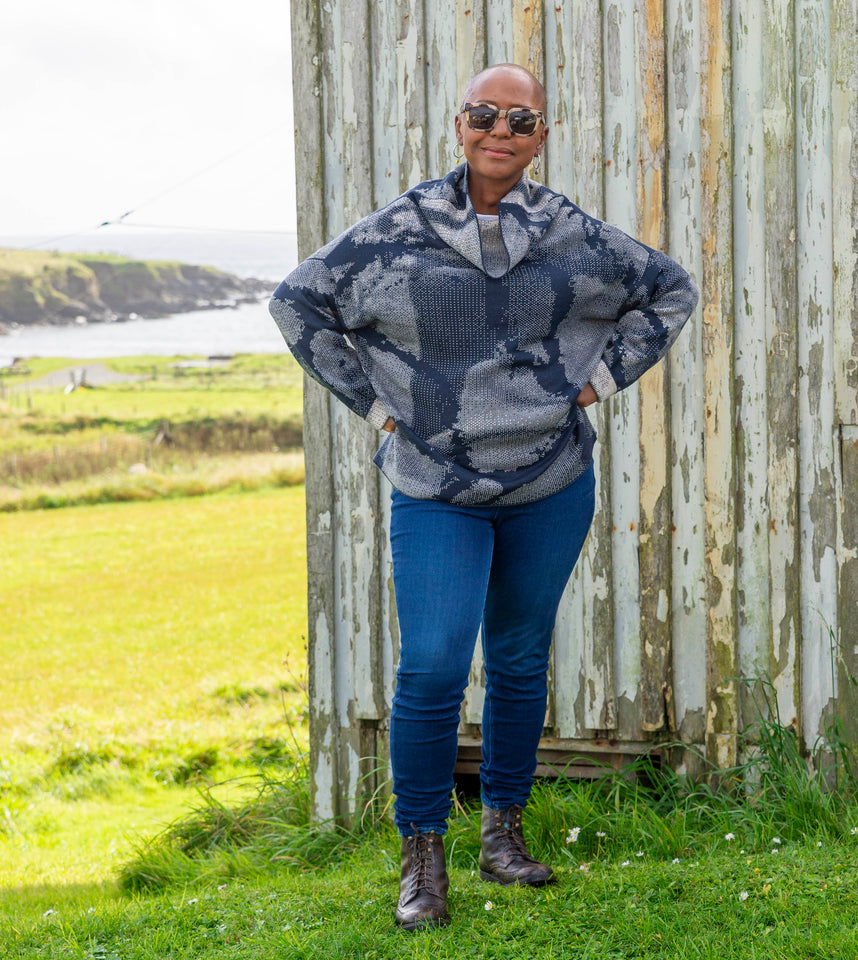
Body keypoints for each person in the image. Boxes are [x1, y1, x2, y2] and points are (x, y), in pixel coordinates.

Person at [270, 62, 698, 932]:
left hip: (549, 481)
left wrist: (597, 385)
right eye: (485, 114)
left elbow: (668, 289)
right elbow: (298, 303)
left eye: (522, 119)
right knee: (431, 664)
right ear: (459, 123)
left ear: (542, 134)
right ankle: (422, 857)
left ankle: (503, 834)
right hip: (436, 484)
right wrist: (377, 407)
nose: (501, 131)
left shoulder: (567, 229)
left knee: (517, 658)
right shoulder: (398, 228)